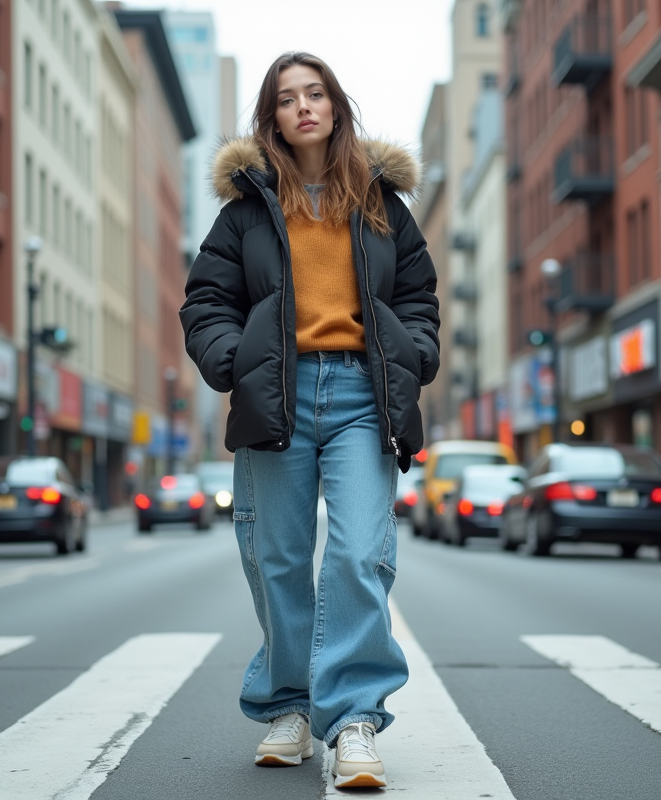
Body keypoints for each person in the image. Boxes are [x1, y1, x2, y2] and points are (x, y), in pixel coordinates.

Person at [179, 52, 439, 789]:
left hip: (364, 393)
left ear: (335, 105)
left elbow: (419, 297)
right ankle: (290, 707)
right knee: (279, 558)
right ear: (273, 118)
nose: (303, 107)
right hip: (278, 395)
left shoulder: (383, 205)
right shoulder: (246, 211)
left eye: (315, 93)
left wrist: (414, 354)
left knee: (360, 552)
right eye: (287, 98)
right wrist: (234, 363)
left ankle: (354, 720)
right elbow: (206, 302)